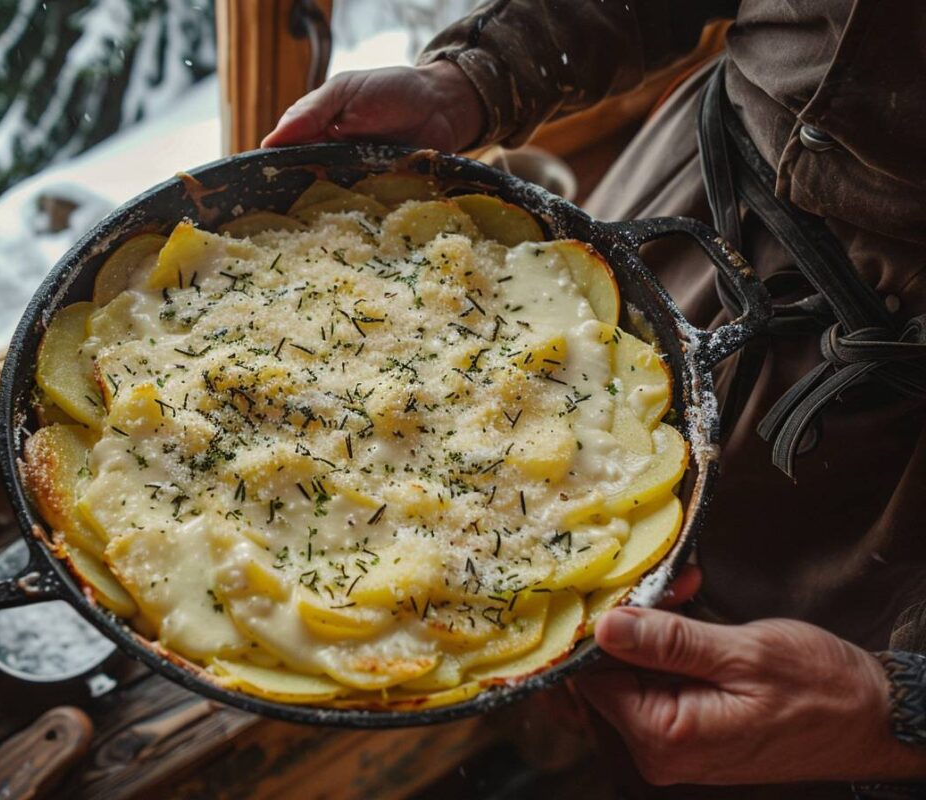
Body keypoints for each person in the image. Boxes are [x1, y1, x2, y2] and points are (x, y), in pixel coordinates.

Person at [264, 1, 926, 796]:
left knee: (772, 761)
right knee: (568, 663)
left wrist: (901, 713)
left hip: (893, 477)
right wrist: (478, 76)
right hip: (701, 198)